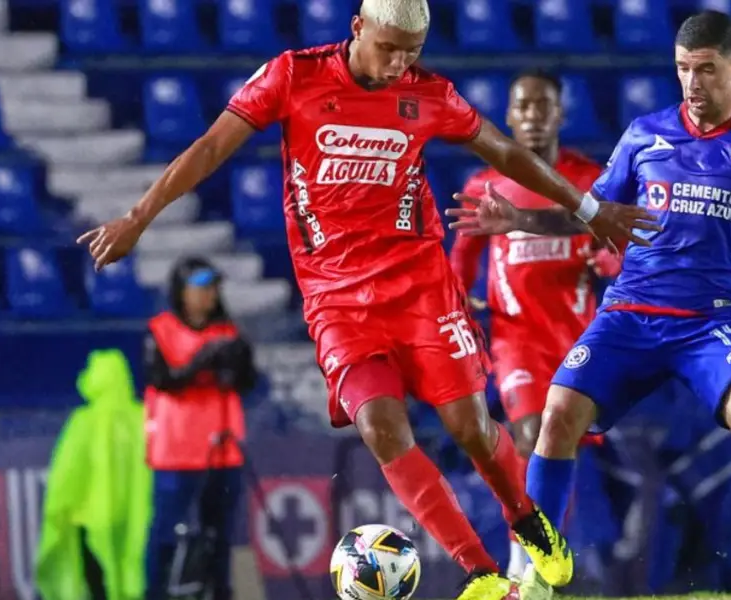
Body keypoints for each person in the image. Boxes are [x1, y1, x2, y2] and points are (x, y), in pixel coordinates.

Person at [74, 1, 659, 598]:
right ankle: (483, 575)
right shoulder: (293, 76)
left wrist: (589, 210)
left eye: (413, 51)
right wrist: (138, 217)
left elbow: (505, 151)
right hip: (336, 301)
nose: (400, 63)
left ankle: (526, 518)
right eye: (389, 48)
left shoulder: (427, 93)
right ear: (357, 28)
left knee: (472, 427)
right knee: (382, 428)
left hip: (421, 288)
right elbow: (209, 148)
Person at [449, 10, 731, 599]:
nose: (694, 84)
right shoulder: (645, 135)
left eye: (706, 70)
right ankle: (541, 576)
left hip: (712, 322)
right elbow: (591, 215)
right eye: (682, 70)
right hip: (630, 314)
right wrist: (520, 219)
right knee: (555, 418)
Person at [447, 68, 620, 581]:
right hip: (516, 338)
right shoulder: (486, 184)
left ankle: (542, 559)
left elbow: (619, 254)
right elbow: (461, 257)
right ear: (509, 115)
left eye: (543, 106)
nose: (533, 116)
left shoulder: (588, 181)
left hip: (579, 340)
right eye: (523, 106)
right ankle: (525, 567)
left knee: (555, 450)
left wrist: (605, 266)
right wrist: (458, 301)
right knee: (528, 437)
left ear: (560, 114)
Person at [142, 258, 257, 600]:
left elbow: (247, 383)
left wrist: (240, 361)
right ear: (182, 291)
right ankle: (157, 593)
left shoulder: (228, 332)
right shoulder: (161, 329)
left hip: (223, 449)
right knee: (165, 532)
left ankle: (219, 593)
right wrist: (202, 360)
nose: (210, 295)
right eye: (201, 287)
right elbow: (162, 380)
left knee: (219, 534)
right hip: (177, 451)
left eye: (213, 288)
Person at [36, 349, 152, 600]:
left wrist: (58, 511)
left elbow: (65, 475)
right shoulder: (142, 417)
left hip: (88, 520)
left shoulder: (84, 421)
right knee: (132, 574)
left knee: (98, 583)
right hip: (136, 518)